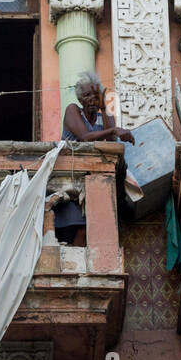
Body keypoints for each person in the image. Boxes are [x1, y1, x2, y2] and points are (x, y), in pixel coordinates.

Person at [57, 72, 134, 244]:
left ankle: (120, 202)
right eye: (87, 95)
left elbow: (112, 144)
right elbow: (85, 138)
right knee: (79, 228)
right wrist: (114, 130)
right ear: (80, 100)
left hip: (96, 176)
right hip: (73, 173)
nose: (92, 99)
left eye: (95, 94)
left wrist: (105, 109)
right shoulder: (73, 110)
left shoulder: (104, 116)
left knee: (93, 227)